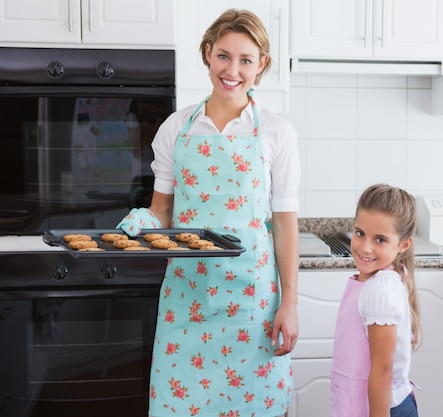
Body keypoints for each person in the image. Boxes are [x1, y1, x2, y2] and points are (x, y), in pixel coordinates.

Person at [116, 9, 300, 417]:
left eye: (245, 60)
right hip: (188, 298)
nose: (232, 70)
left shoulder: (276, 132)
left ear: (261, 65)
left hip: (252, 305)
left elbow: (285, 223)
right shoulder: (176, 128)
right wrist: (140, 224)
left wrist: (290, 303)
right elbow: (162, 210)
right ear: (207, 54)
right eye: (223, 56)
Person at [330, 183, 420, 417]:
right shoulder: (379, 279)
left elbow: (382, 371)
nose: (365, 248)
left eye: (380, 240)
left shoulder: (379, 290)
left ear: (403, 244)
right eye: (360, 233)